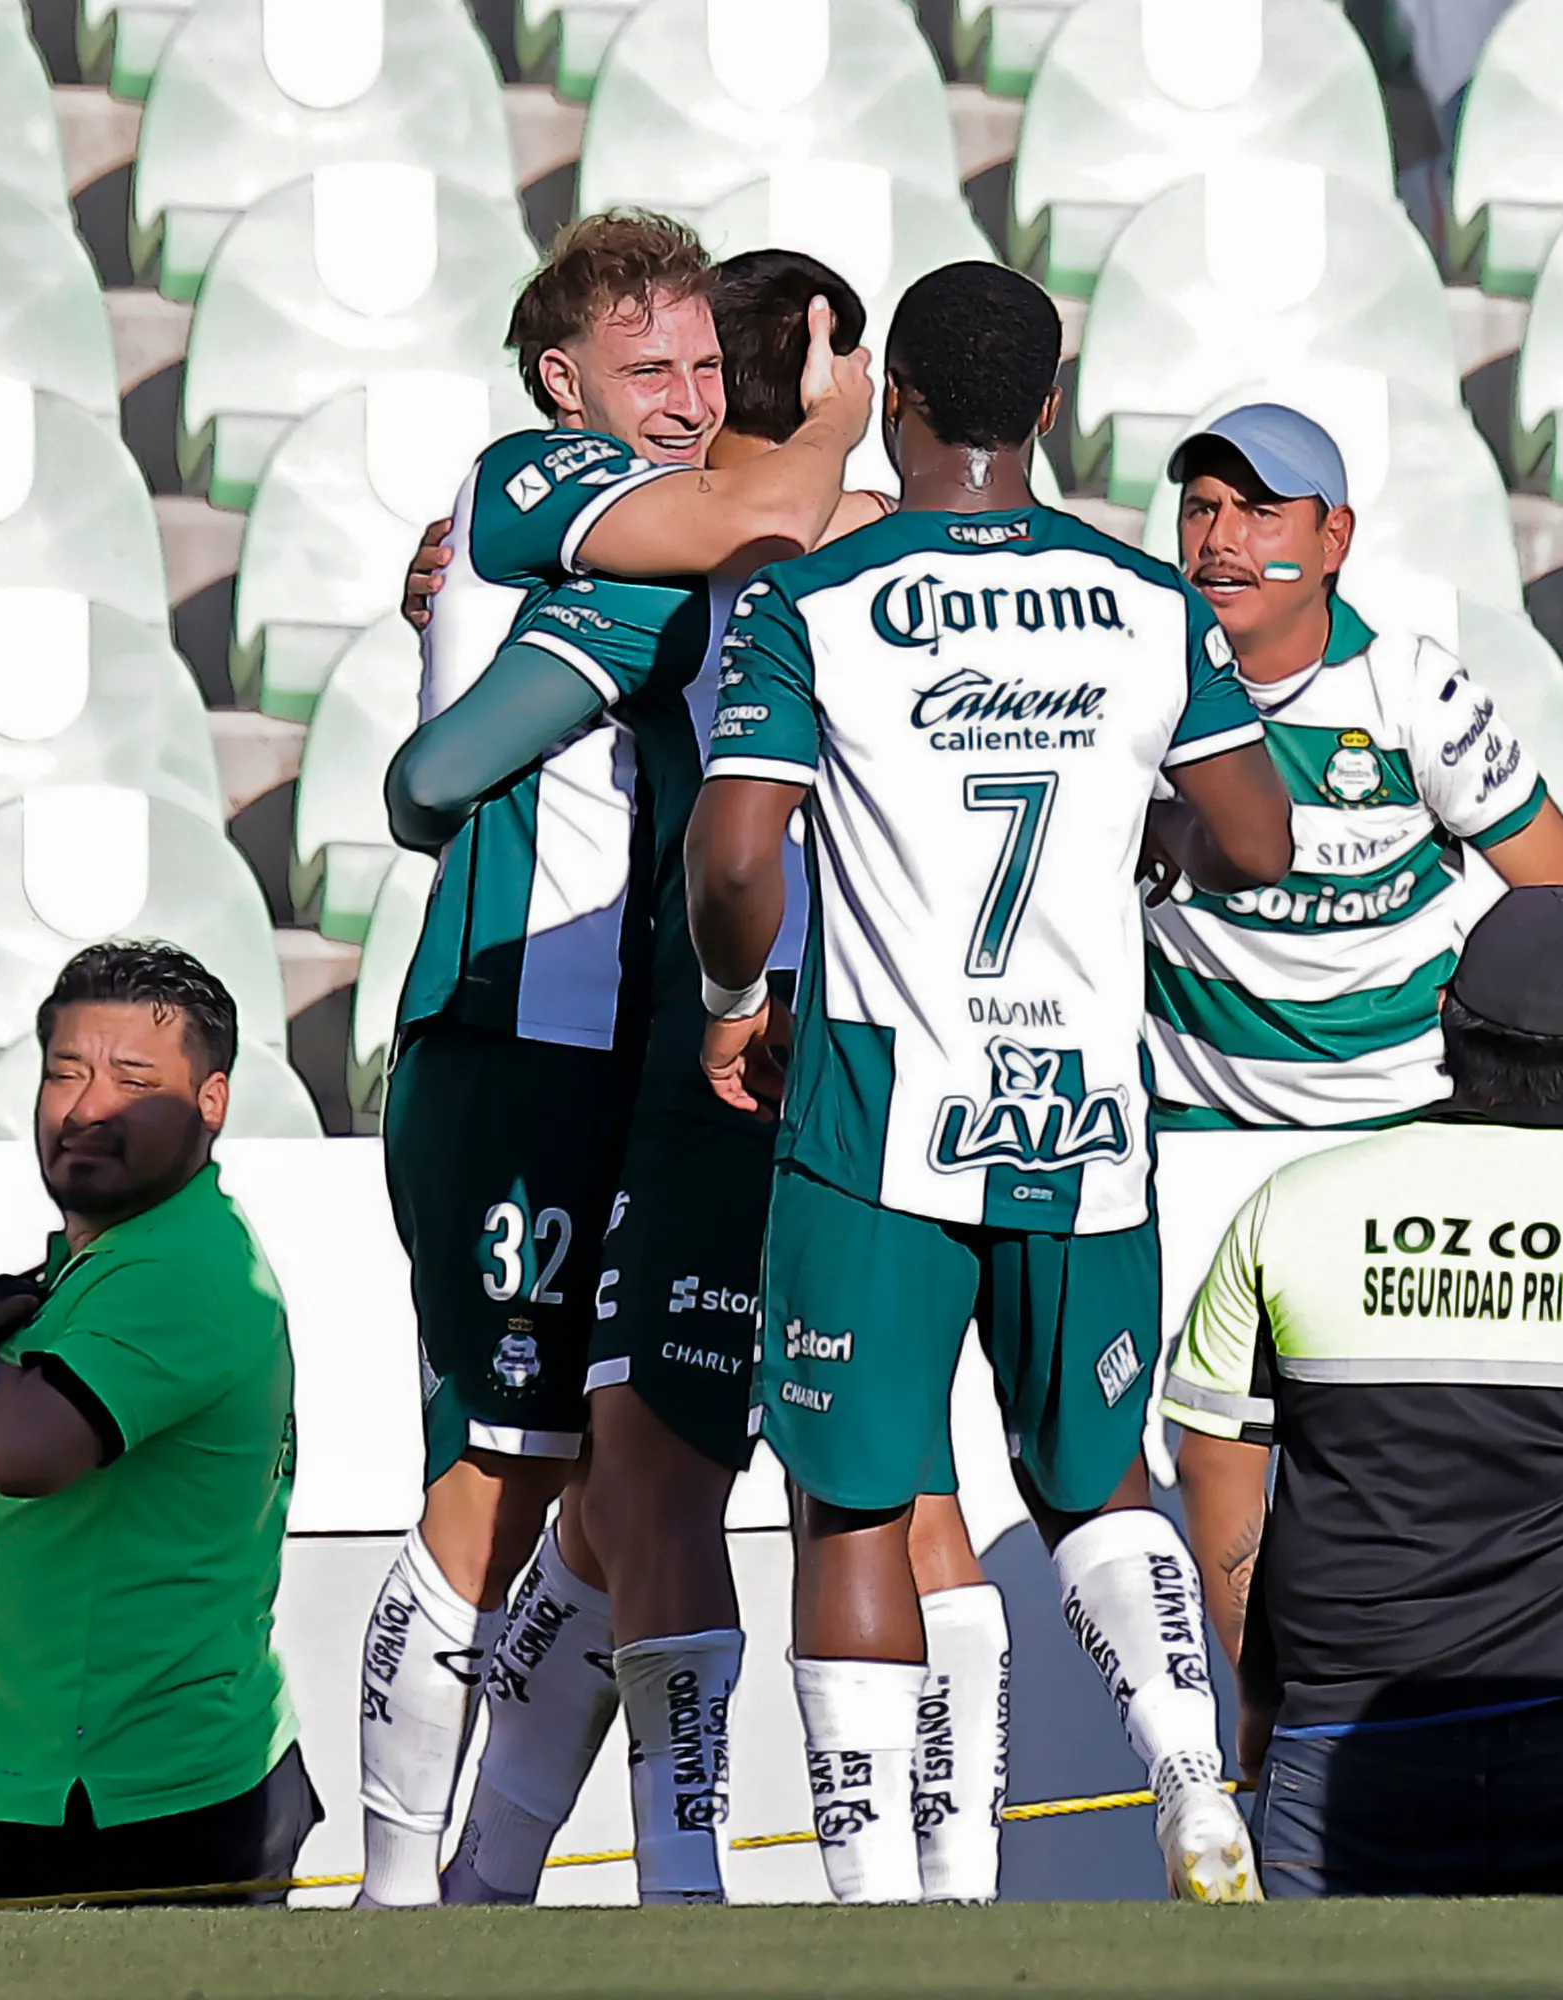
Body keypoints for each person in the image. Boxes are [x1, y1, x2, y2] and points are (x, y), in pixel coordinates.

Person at [389, 247, 1014, 1905]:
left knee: (660, 1474)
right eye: (640, 370)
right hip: (659, 1042)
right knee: (576, 1472)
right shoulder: (807, 534)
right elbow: (435, 769)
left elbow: (440, 769)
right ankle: (452, 1892)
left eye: (692, 370)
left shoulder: (772, 552)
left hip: (742, 1051)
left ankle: (677, 1890)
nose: (674, 402)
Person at [690, 261, 1297, 1905]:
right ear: (1049, 410)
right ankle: (1193, 1787)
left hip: (879, 1113)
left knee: (856, 1506)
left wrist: (735, 994)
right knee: (1096, 1475)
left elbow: (737, 857)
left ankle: (876, 1906)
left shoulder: (814, 600)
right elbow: (1256, 840)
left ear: (897, 406)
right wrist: (1137, 854)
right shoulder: (1152, 604)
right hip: (1087, 1112)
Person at [1161, 887, 1563, 1898]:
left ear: (1446, 1014)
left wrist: (1263, 1691)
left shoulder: (1297, 1204)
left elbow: (1214, 1458)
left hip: (1350, 1740)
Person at [0, 941, 316, 1905]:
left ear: (211, 1102)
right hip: (96, 1789)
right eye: (65, 1073)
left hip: (137, 1803)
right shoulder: (128, 1256)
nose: (88, 1107)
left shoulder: (171, 1270)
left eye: (134, 1080)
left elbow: (23, 1451)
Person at [1143, 402, 1563, 1133]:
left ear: (1334, 540)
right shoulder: (1133, 684)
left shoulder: (1415, 695)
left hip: (1396, 1129)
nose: (1221, 540)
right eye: (1201, 510)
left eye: (1261, 512)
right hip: (1191, 1127)